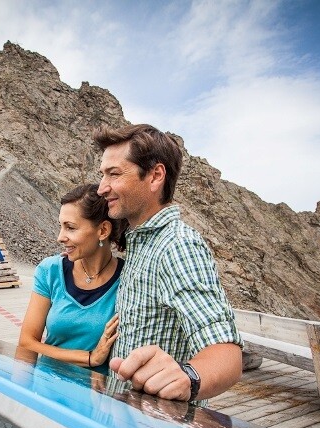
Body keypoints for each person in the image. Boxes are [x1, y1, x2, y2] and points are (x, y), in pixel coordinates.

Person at [94, 124, 243, 406]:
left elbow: (227, 354)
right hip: (128, 419)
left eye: (114, 174)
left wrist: (188, 378)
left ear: (155, 176)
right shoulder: (141, 242)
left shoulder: (177, 246)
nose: (102, 187)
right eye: (103, 175)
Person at [18, 183, 126, 428]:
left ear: (103, 230)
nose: (60, 236)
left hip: (95, 415)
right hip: (44, 403)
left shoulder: (129, 280)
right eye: (60, 225)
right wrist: (20, 403)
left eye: (70, 227)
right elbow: (27, 341)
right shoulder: (51, 270)